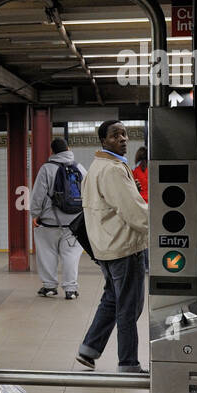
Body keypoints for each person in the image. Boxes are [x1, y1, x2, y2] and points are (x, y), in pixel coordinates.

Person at [76, 120, 150, 374]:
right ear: (103, 141)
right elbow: (134, 213)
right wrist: (160, 225)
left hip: (105, 246)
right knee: (130, 307)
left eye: (124, 134)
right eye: (115, 135)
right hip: (124, 248)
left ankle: (89, 349)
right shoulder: (114, 170)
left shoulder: (96, 168)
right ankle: (128, 363)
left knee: (112, 299)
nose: (123, 138)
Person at [29, 137, 87, 300]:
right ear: (68, 149)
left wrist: (35, 215)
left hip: (49, 222)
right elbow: (89, 192)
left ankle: (49, 287)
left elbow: (38, 195)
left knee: (47, 253)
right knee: (71, 256)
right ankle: (71, 289)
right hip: (74, 223)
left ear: (52, 152)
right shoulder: (80, 168)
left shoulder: (47, 169)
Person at [133, 145, 150, 272]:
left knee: (142, 236)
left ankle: (143, 265)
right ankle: (151, 265)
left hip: (140, 206)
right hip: (152, 205)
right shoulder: (152, 168)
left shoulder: (134, 170)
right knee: (151, 236)